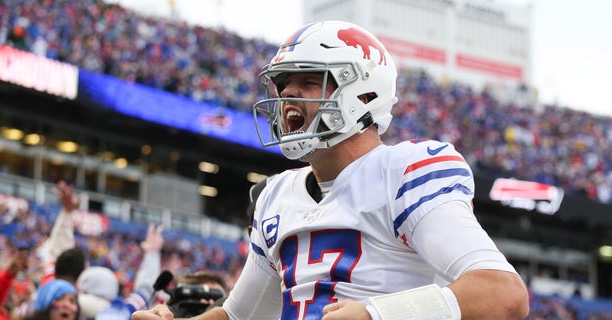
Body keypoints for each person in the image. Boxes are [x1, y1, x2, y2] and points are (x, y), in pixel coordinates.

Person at [132, 20, 529, 320]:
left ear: (363, 94)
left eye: (309, 81)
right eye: (284, 84)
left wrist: (377, 314)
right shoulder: (275, 194)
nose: (288, 94)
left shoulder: (404, 171)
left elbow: (503, 293)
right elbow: (241, 315)